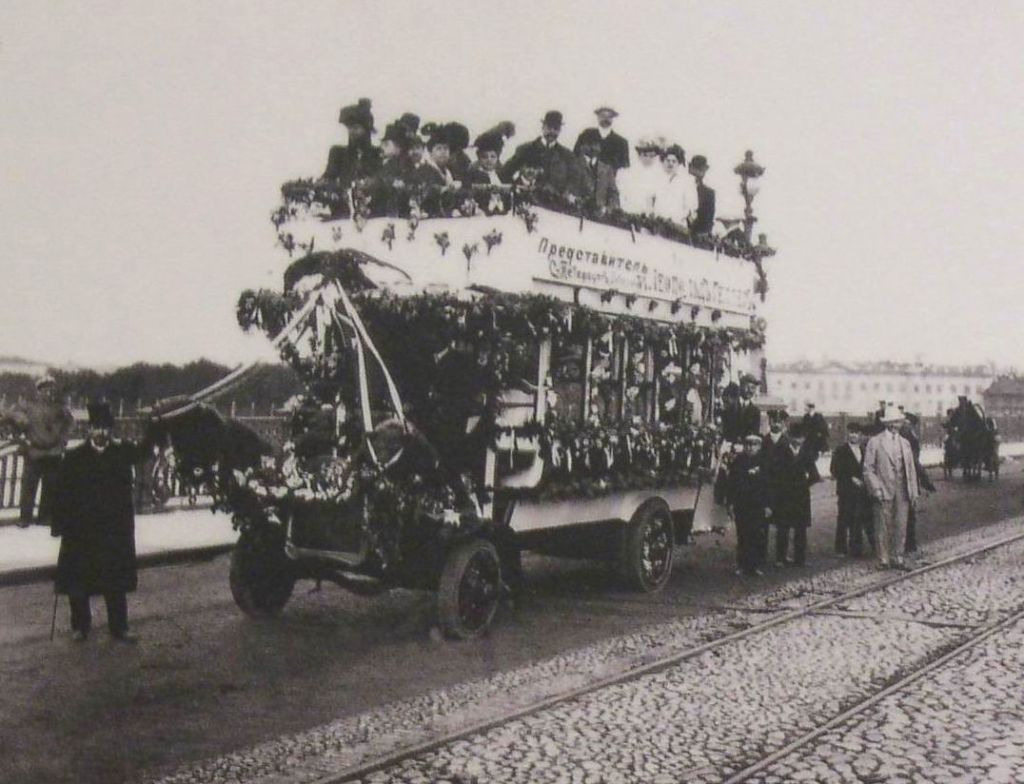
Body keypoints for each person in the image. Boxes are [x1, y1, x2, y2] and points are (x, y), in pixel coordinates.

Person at [52, 402, 143, 643]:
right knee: (79, 580)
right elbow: (61, 493)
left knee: (115, 580)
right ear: (89, 429)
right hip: (82, 529)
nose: (100, 433)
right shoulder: (74, 457)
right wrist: (59, 523)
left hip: (113, 529)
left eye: (105, 428)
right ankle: (80, 626)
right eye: (96, 427)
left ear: (110, 430)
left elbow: (144, 451)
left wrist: (156, 422)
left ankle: (119, 627)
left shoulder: (121, 454)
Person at [0, 375, 73, 527]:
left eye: (51, 389)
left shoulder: (59, 408)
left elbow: (70, 423)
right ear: (38, 391)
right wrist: (18, 421)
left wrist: (63, 440)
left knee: (50, 487)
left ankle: (44, 517)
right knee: (28, 487)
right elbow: (11, 418)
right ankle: (25, 518)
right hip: (34, 452)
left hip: (53, 453)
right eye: (44, 389)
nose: (48, 393)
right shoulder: (28, 407)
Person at [862, 405, 919, 570]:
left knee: (901, 524)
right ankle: (883, 559)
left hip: (903, 490)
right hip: (883, 489)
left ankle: (898, 557)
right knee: (883, 525)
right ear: (886, 423)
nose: (895, 425)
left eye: (898, 422)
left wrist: (914, 491)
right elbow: (868, 469)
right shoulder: (875, 442)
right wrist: (876, 488)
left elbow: (911, 469)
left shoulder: (905, 443)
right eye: (892, 422)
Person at [766, 424, 817, 566]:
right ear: (789, 437)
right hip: (784, 494)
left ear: (804, 438)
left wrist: (804, 484)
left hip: (801, 495)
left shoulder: (806, 452)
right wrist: (780, 486)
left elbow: (814, 474)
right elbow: (773, 472)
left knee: (801, 528)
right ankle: (780, 558)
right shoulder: (780, 450)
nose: (797, 440)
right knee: (783, 526)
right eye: (795, 437)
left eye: (800, 438)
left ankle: (800, 559)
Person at [500, 111, 576, 195]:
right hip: (529, 199)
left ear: (560, 130)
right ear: (543, 127)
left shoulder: (566, 155)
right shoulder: (526, 149)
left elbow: (574, 181)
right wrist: (516, 189)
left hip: (556, 201)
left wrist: (565, 194)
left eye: (556, 129)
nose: (552, 132)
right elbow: (504, 173)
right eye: (549, 127)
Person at [727, 434, 771, 576]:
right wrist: (731, 503)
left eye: (754, 445)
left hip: (758, 504)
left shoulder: (763, 462)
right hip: (742, 504)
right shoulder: (738, 462)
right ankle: (742, 564)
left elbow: (768, 485)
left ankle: (755, 565)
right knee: (742, 534)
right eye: (748, 445)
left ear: (759, 447)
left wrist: (768, 505)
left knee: (756, 535)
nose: (751, 448)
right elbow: (732, 484)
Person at [322, 98, 381, 186]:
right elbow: (329, 178)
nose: (351, 132)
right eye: (349, 128)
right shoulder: (338, 154)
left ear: (366, 130)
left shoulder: (377, 155)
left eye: (356, 128)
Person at [830, 423, 868, 556]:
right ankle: (840, 548)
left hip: (861, 490)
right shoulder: (841, 450)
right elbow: (834, 469)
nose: (853, 435)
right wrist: (851, 478)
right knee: (843, 518)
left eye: (856, 433)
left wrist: (864, 480)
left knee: (858, 518)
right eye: (851, 432)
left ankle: (856, 548)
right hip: (846, 490)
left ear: (860, 435)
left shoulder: (864, 449)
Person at [570, 128, 620, 214]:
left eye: (596, 144)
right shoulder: (572, 163)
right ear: (581, 145)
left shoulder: (606, 169)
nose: (593, 147)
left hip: (599, 217)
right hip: (573, 213)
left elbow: (614, 193)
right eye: (589, 143)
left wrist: (610, 208)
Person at [572, 106, 630, 172]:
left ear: (612, 118)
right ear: (598, 117)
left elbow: (624, 169)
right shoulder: (586, 135)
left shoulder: (621, 142)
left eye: (609, 116)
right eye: (602, 115)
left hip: (611, 177)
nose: (605, 119)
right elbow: (574, 158)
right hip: (585, 177)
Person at [618, 136, 663, 214]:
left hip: (648, 215)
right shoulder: (626, 173)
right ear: (639, 155)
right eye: (645, 155)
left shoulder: (658, 176)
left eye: (652, 156)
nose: (648, 159)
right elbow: (622, 197)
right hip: (629, 212)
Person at [651, 144, 691, 225]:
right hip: (658, 222)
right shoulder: (657, 179)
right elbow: (652, 200)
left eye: (674, 161)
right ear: (663, 162)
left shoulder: (685, 182)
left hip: (677, 224)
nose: (670, 163)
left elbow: (688, 208)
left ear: (679, 163)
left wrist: (675, 218)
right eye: (668, 160)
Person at [687, 154, 716, 236]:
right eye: (695, 168)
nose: (697, 172)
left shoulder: (709, 193)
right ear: (690, 168)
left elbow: (708, 220)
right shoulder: (680, 185)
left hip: (696, 234)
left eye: (700, 169)